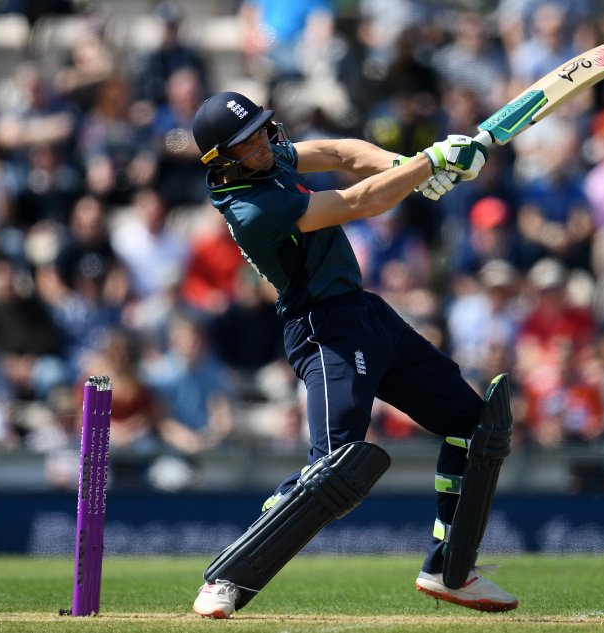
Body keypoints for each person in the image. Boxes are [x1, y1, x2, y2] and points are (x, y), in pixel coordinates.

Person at [188, 91, 515, 618]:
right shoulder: (251, 207)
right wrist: (429, 163)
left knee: (477, 426)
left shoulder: (270, 157)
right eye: (245, 143)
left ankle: (451, 570)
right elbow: (357, 203)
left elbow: (341, 154)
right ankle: (228, 575)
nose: (263, 145)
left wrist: (410, 167)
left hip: (367, 314)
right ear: (220, 160)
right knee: (335, 470)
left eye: (262, 131)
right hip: (323, 329)